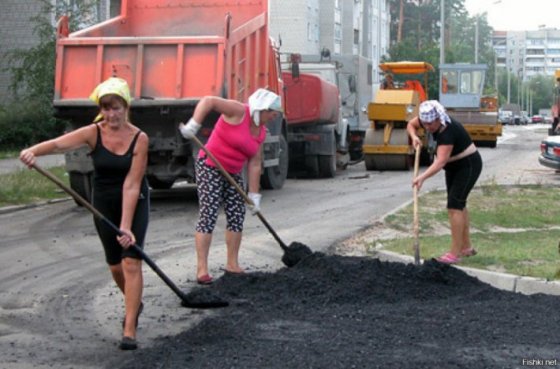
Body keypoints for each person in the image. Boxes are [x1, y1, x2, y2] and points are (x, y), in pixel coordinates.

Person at [19, 77, 149, 350]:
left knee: (131, 262)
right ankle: (134, 301)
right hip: (102, 201)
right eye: (107, 107)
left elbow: (132, 184)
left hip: (134, 200)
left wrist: (126, 227)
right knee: (115, 266)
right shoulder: (94, 132)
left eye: (117, 107)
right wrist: (32, 151)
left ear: (126, 107)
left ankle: (129, 327)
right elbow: (57, 145)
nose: (112, 114)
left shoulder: (140, 138)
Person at [179, 88, 282, 284]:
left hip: (233, 172)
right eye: (272, 114)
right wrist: (195, 124)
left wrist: (254, 196)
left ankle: (232, 264)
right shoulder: (238, 111)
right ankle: (202, 269)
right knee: (208, 213)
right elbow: (208, 100)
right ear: (262, 108)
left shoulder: (260, 131)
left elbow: (255, 163)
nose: (273, 118)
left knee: (237, 215)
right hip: (210, 165)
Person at [407, 100, 482, 264]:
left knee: (454, 206)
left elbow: (439, 162)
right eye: (424, 124)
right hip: (453, 167)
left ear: (437, 119)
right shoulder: (426, 120)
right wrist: (414, 137)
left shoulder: (447, 131)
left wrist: (421, 178)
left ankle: (454, 254)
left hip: (468, 165)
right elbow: (411, 125)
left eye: (430, 124)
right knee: (458, 205)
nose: (427, 128)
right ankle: (466, 247)